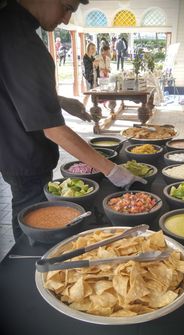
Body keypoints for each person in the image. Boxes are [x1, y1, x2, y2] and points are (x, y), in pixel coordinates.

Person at [0, 0, 146, 241]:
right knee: (34, 226)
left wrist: (61, 100)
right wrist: (112, 170)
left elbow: (14, 89)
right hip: (25, 153)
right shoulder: (21, 41)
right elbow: (54, 130)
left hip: (10, 150)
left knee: (27, 212)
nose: (66, 19)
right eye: (67, 7)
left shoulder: (9, 26)